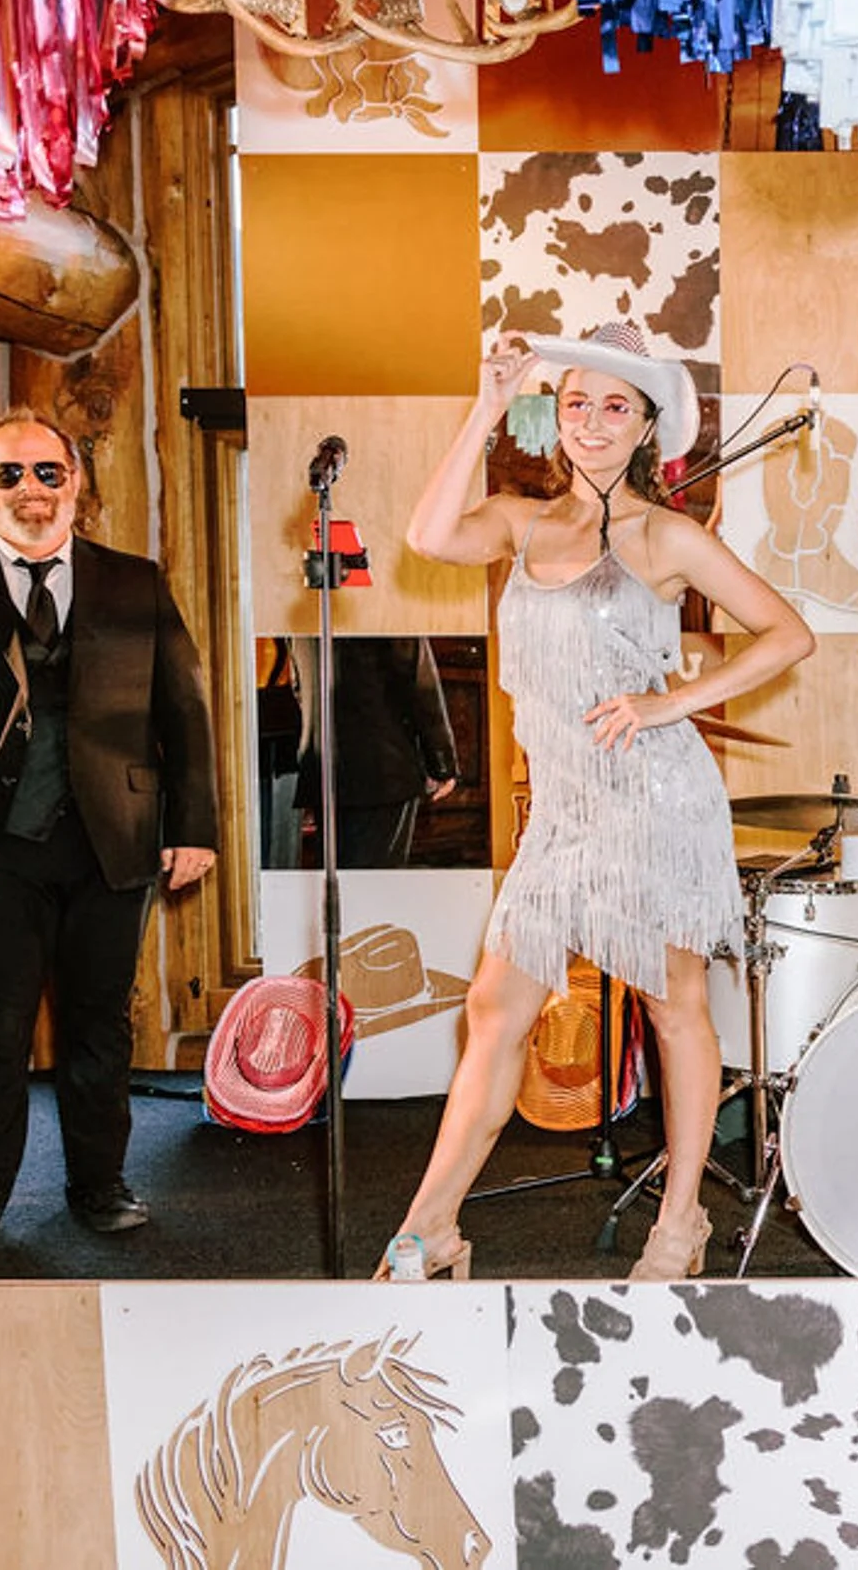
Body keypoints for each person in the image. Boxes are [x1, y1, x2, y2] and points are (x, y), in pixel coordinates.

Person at [382, 321, 812, 1282]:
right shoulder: (517, 518)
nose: (591, 420)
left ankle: (682, 1218)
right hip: (562, 810)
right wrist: (490, 402)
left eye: (615, 404)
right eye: (574, 401)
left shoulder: (668, 536)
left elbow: (787, 634)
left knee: (673, 1006)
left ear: (649, 424)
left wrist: (673, 700)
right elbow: (424, 534)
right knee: (496, 1005)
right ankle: (432, 1224)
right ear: (554, 416)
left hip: (656, 799)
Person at [0, 409, 219, 1267]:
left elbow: (186, 712)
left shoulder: (138, 582)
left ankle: (100, 1184)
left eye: (47, 473)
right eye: (9, 474)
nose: (31, 490)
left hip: (115, 842)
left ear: (77, 483)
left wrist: (194, 828)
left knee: (102, 1022)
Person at [294, 635, 461, 868]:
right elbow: (420, 684)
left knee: (338, 882)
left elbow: (298, 684)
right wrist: (442, 764)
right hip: (383, 769)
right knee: (376, 887)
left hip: (323, 766)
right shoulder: (385, 604)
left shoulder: (301, 605)